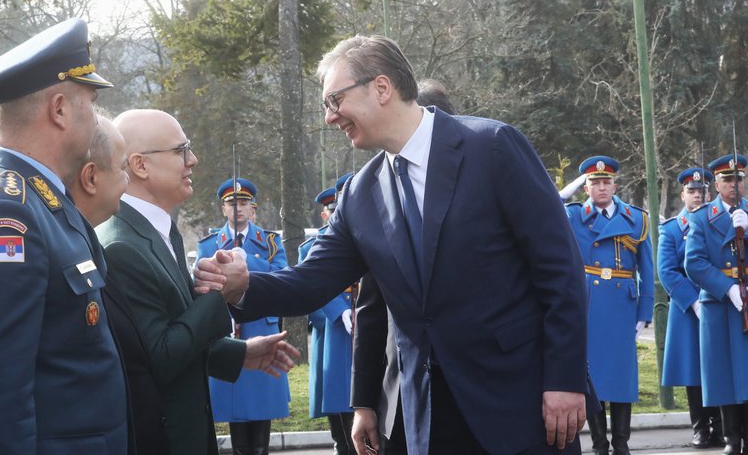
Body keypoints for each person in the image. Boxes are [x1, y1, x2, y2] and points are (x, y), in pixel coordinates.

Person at [195, 34, 589, 455]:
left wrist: (564, 380)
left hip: (520, 401)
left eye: (334, 101)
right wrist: (242, 286)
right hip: (427, 417)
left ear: (381, 88)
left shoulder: (491, 147)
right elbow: (312, 281)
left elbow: (559, 270)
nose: (330, 118)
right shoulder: (360, 195)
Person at [0, 18, 128, 454]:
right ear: (58, 109)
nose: (96, 120)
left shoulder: (39, 200)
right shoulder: (6, 215)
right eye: (91, 104)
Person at [95, 109, 298, 455]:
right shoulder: (121, 245)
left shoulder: (155, 231)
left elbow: (170, 331)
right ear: (141, 165)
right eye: (180, 150)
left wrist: (240, 354)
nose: (193, 160)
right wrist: (222, 295)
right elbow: (159, 357)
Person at [351, 78, 458, 455]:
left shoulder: (483, 175)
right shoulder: (374, 199)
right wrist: (364, 403)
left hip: (481, 396)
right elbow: (371, 311)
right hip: (403, 401)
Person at [68, 114, 170, 455]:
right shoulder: (103, 244)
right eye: (122, 168)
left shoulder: (84, 241)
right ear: (92, 177)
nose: (127, 182)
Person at [564, 156, 653, 455]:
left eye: (606, 182)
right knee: (594, 376)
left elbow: (647, 269)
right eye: (594, 183)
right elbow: (540, 209)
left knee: (622, 375)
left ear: (615, 185)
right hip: (589, 304)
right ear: (585, 187)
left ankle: (622, 444)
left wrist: (645, 311)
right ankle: (600, 444)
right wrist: (565, 192)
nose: (601, 188)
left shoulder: (636, 218)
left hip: (622, 305)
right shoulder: (573, 215)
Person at [198, 177, 291, 455]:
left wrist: (247, 260)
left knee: (261, 432)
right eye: (232, 204)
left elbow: (282, 279)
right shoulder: (210, 244)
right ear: (223, 209)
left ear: (253, 209)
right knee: (237, 428)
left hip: (262, 331)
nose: (238, 209)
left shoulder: (270, 242)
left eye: (244, 204)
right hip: (230, 334)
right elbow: (202, 287)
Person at [686, 154, 748, 455]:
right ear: (716, 184)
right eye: (727, 180)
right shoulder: (701, 218)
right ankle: (731, 438)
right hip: (720, 304)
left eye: (739, 179)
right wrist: (728, 288)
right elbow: (694, 263)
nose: (734, 185)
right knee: (723, 373)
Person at [658, 167, 722, 449]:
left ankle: (722, 425)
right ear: (682, 195)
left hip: (719, 301)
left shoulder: (718, 222)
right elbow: (667, 271)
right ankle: (700, 428)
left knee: (720, 365)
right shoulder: (671, 229)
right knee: (693, 369)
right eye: (692, 191)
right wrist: (693, 301)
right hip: (688, 307)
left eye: (702, 191)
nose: (697, 196)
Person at [303, 178, 355, 455]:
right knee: (342, 426)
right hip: (335, 340)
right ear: (325, 214)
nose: (338, 215)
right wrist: (340, 311)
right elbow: (309, 293)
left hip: (370, 336)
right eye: (333, 211)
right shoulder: (312, 247)